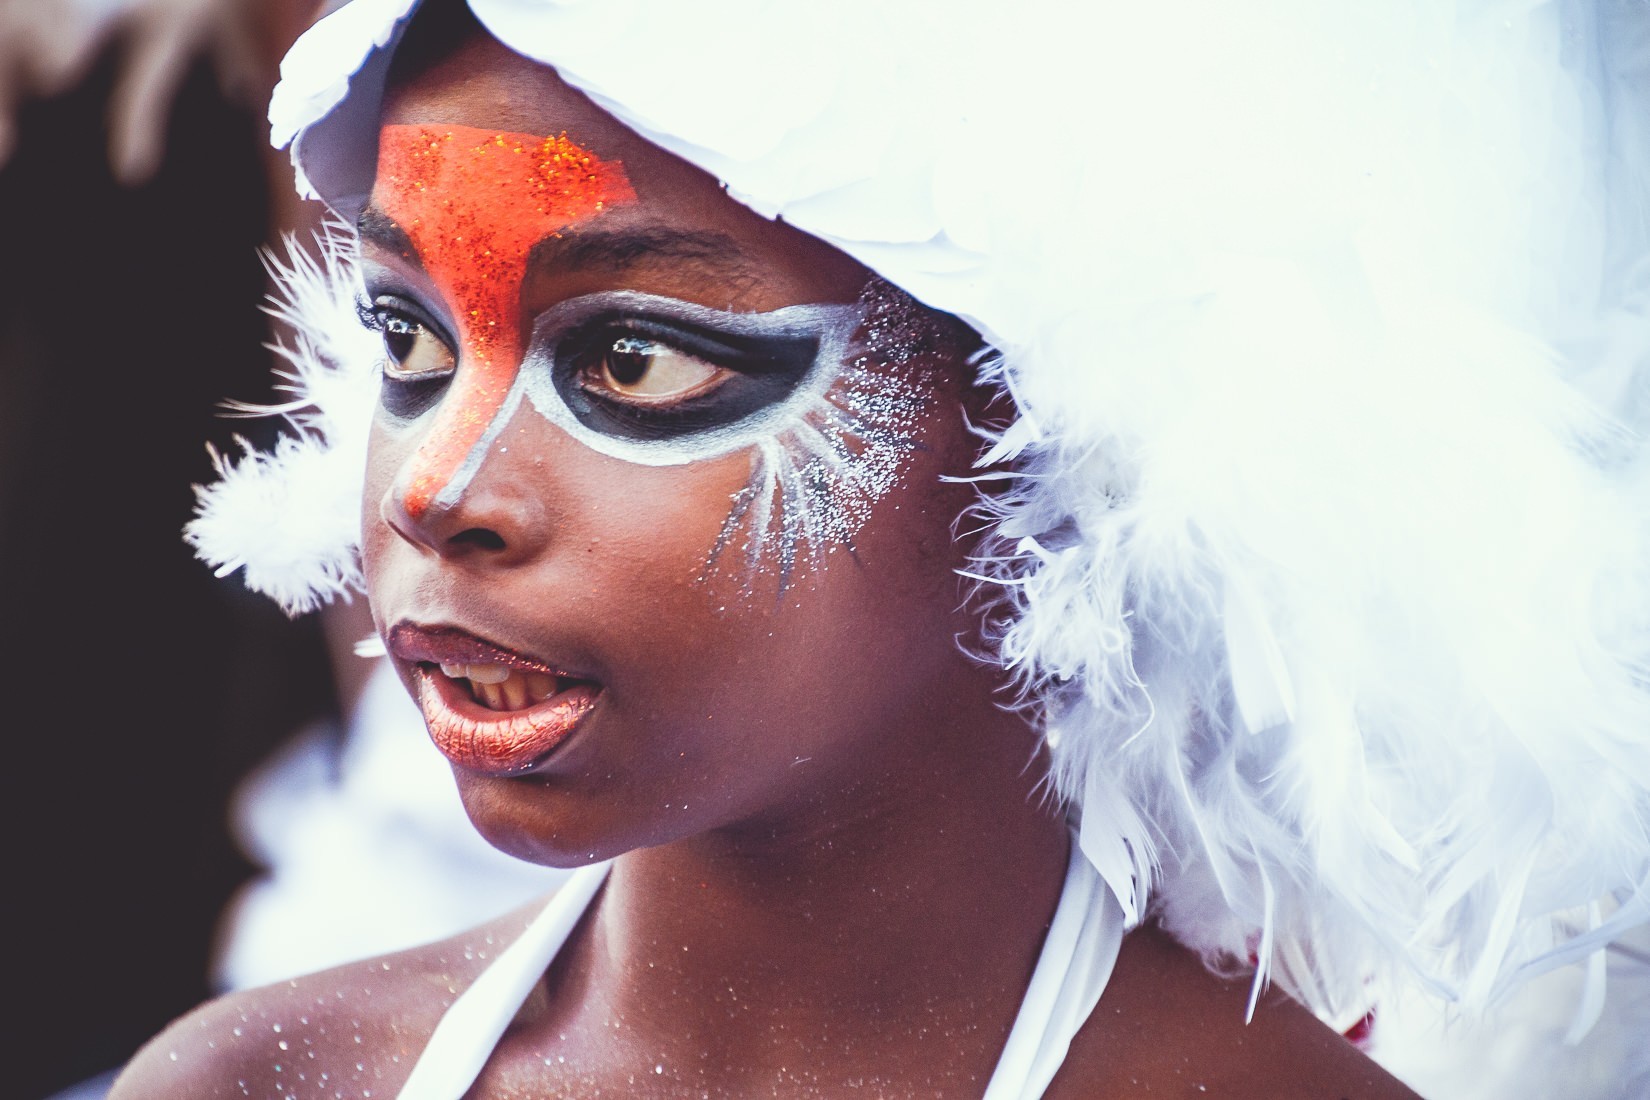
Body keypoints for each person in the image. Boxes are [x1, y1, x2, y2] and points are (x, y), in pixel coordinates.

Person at [110, 0, 1650, 1097]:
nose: (436, 490)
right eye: (405, 338)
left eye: (639, 363)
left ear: (1046, 429)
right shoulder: (262, 1081)